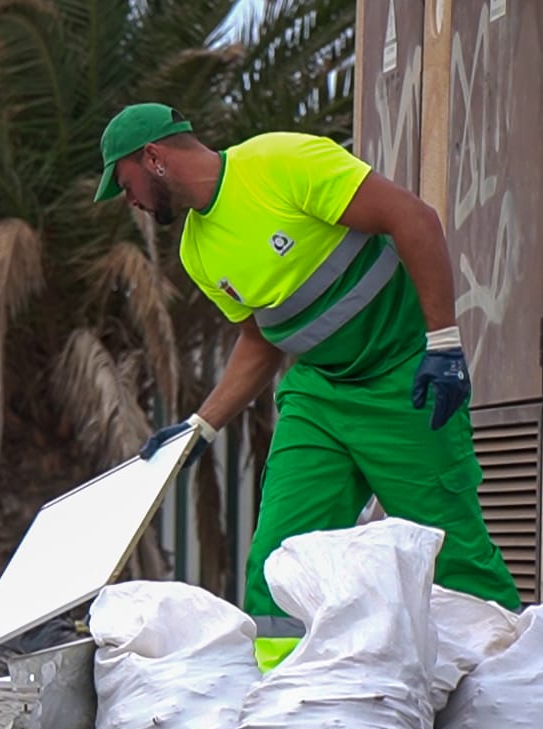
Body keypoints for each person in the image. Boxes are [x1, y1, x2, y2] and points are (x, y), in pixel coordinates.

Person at [93, 102, 519, 669]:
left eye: (126, 185)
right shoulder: (197, 251)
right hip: (318, 396)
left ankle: (513, 689)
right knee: (278, 560)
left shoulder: (279, 162)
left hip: (404, 381)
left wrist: (443, 344)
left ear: (154, 158)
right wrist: (203, 425)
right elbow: (262, 339)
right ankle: (281, 708)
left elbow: (413, 219)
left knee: (455, 554)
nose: (132, 202)